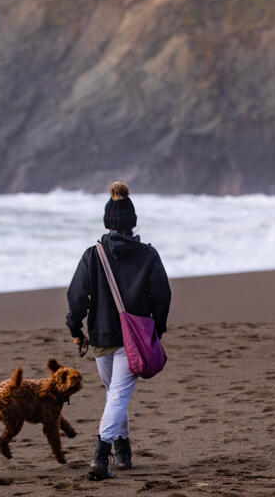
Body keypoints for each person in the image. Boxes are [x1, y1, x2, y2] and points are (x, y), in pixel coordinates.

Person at [65, 181, 171, 480]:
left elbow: (76, 297)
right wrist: (156, 331)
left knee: (116, 394)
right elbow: (162, 298)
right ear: (132, 222)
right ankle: (101, 457)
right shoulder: (148, 255)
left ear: (107, 221)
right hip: (133, 339)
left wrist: (76, 328)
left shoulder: (93, 254)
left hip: (100, 337)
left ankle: (122, 451)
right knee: (117, 396)